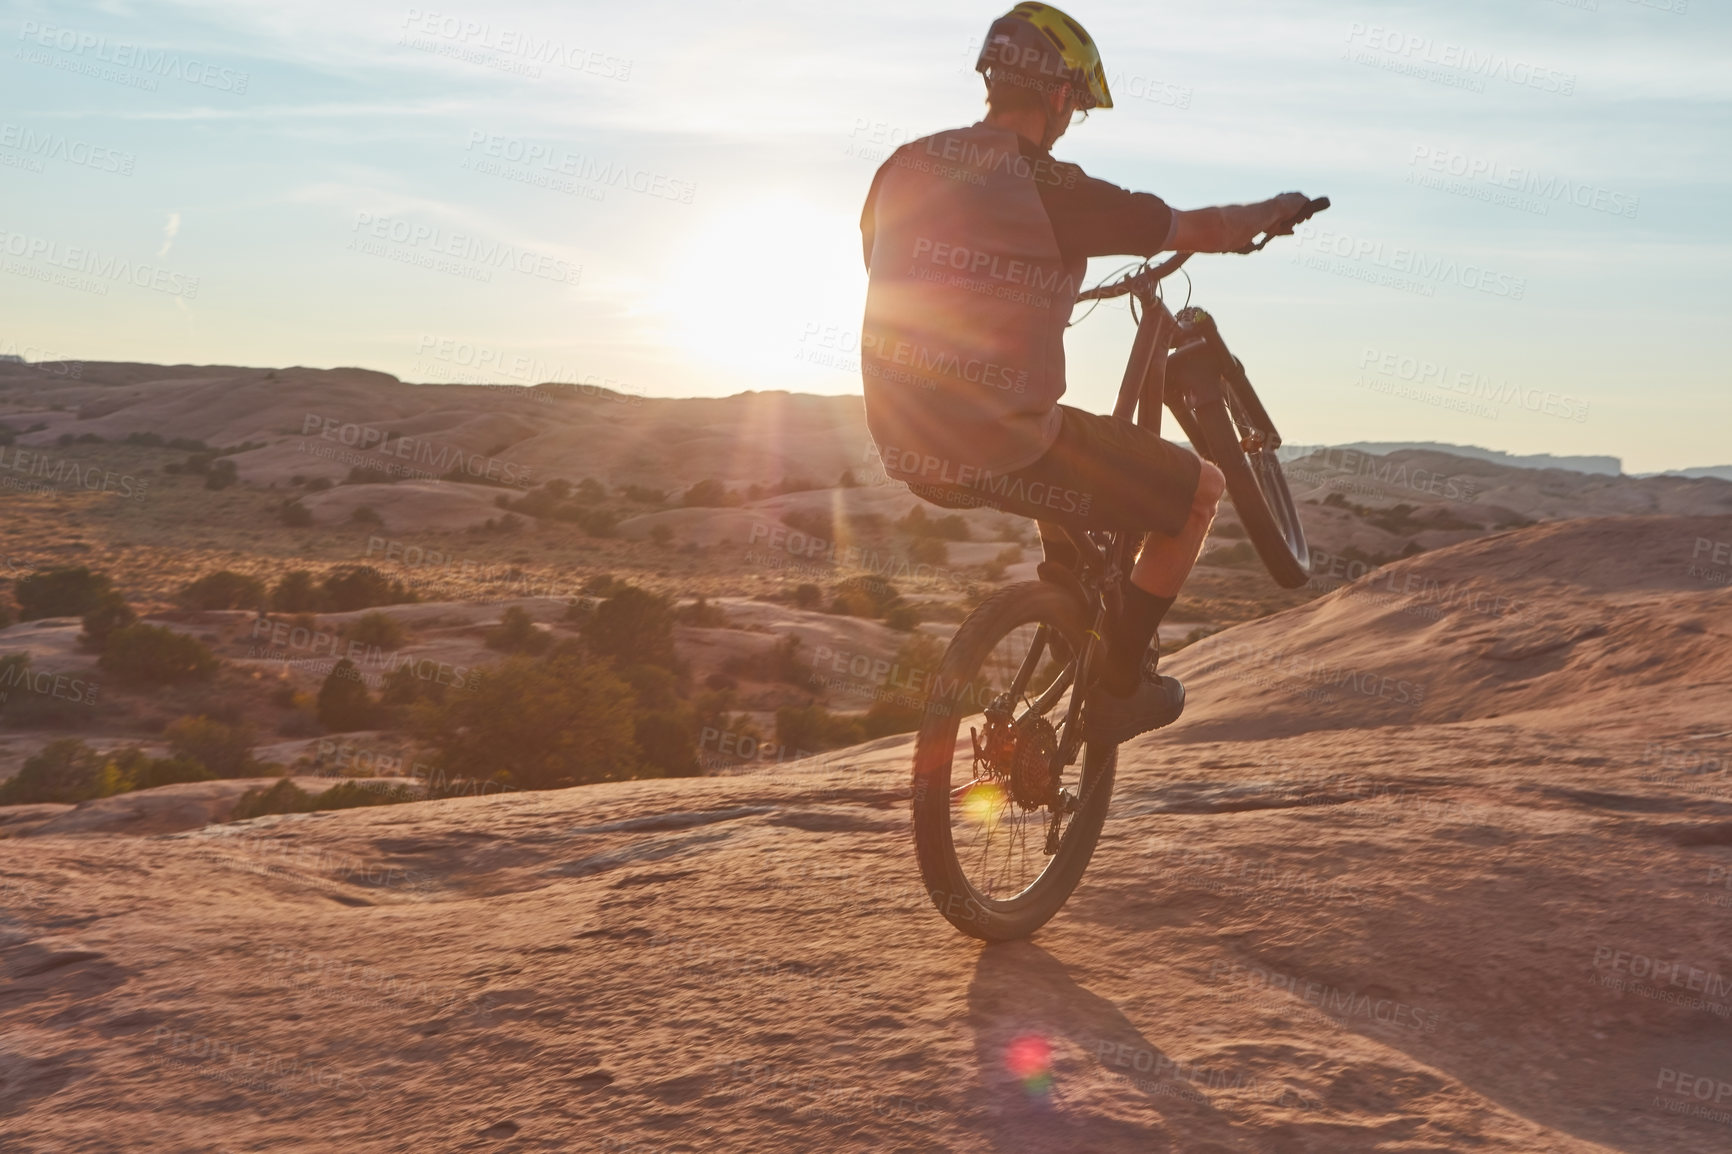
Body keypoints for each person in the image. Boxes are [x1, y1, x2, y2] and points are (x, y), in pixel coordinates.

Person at [858, 2, 1312, 745]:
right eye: (1076, 103)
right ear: (1060, 95)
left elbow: (893, 264)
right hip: (1002, 440)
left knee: (1058, 444)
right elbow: (1201, 228)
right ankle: (1118, 686)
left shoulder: (903, 166)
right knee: (1199, 491)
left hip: (905, 438)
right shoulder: (1052, 189)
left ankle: (1068, 594)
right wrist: (1274, 211)